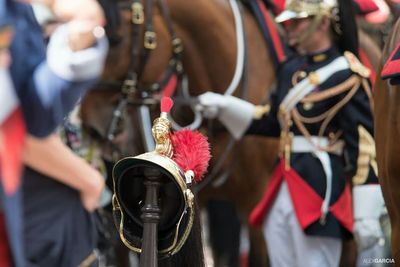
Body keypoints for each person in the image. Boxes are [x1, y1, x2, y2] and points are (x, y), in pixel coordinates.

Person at [198, 0, 385, 266]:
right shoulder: (291, 70)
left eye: (297, 22)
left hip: (320, 193)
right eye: (288, 22)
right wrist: (226, 107)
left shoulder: (348, 76)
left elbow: (365, 147)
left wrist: (366, 213)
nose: (288, 28)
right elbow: (273, 121)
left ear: (322, 23)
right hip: (282, 185)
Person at [0, 0, 108, 266]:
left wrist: (75, 47)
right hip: (39, 208)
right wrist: (88, 179)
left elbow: (29, 117)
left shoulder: (16, 10)